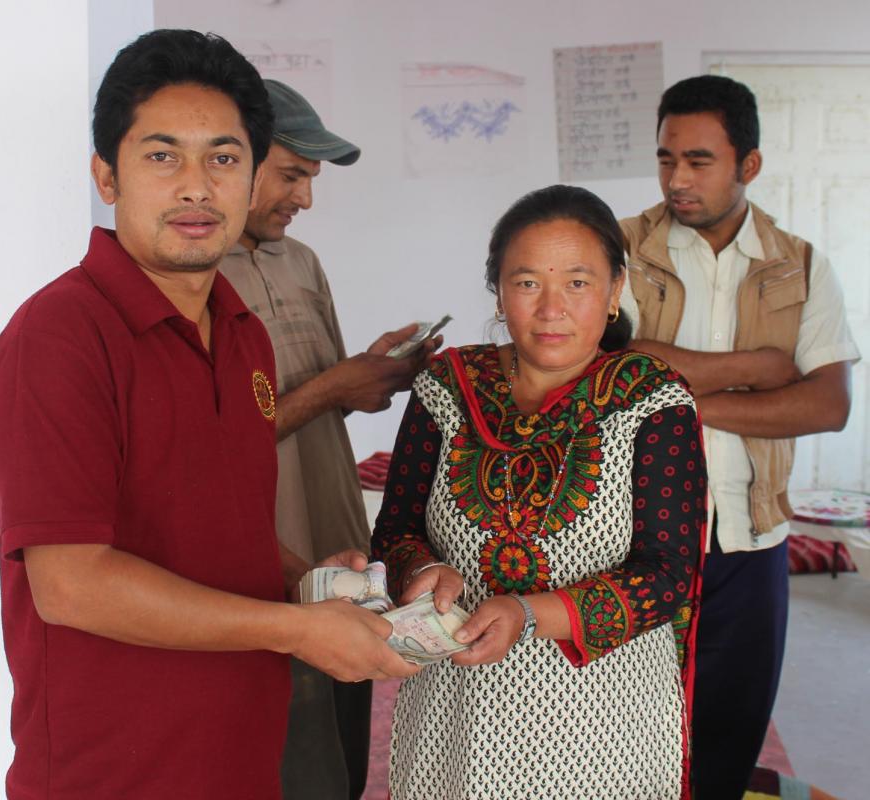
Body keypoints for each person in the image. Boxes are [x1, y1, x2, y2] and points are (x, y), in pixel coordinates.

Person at [0, 29, 417, 800]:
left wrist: (310, 581)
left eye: (222, 157)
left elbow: (227, 532)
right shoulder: (60, 336)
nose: (194, 185)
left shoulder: (239, 329)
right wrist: (294, 630)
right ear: (106, 176)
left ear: (249, 181)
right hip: (112, 773)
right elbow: (71, 584)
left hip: (240, 755)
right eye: (161, 155)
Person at [372, 184, 708, 800]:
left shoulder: (650, 398)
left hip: (604, 721)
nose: (551, 308)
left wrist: (528, 613)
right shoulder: (448, 387)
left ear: (614, 290)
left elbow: (668, 575)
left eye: (577, 283)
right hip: (459, 712)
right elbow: (394, 529)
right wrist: (421, 568)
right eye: (527, 283)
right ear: (498, 292)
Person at [620, 75, 860, 799]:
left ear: (746, 166)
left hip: (751, 542)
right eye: (665, 159)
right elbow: (612, 375)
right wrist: (754, 371)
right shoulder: (617, 250)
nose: (676, 178)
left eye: (697, 160)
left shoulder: (801, 265)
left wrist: (676, 391)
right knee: (624, 740)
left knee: (726, 739)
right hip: (634, 535)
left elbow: (825, 405)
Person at [220, 79, 437, 800]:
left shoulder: (301, 262)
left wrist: (370, 377)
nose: (303, 199)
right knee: (285, 746)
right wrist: (333, 389)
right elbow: (197, 449)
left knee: (343, 735)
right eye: (291, 176)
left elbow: (312, 406)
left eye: (309, 181)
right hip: (256, 553)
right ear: (234, 159)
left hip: (333, 538)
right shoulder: (192, 279)